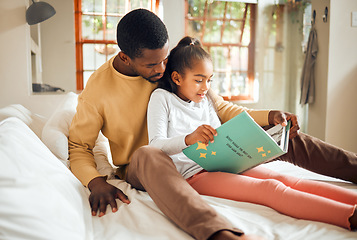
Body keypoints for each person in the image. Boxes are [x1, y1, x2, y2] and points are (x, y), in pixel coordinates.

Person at [68, 8, 357, 240]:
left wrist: (269, 116)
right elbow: (79, 147)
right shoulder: (97, 93)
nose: (161, 70)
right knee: (148, 153)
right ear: (125, 58)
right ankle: (219, 233)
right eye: (151, 65)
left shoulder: (171, 66)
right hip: (147, 164)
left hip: (204, 154)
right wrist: (95, 182)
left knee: (281, 132)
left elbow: (219, 108)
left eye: (164, 60)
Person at [147, 36, 357, 231]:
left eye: (209, 80)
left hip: (224, 162)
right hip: (193, 174)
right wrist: (190, 139)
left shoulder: (205, 98)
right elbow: (155, 146)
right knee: (270, 189)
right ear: (176, 77)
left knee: (282, 178)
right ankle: (348, 216)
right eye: (199, 80)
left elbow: (218, 133)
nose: (206, 87)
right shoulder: (162, 98)